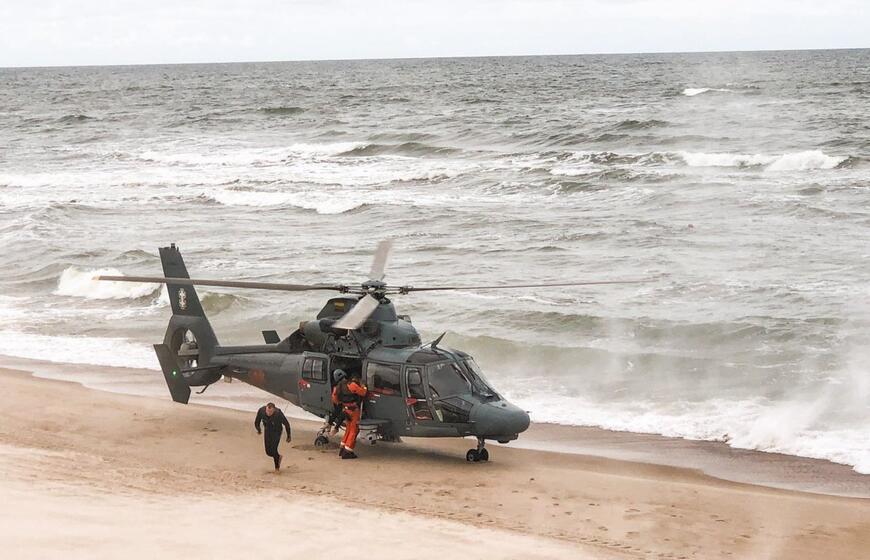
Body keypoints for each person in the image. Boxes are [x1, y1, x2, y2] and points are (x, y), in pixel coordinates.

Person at [332, 371, 368, 459]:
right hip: (354, 411)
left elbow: (335, 400)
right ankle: (348, 450)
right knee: (354, 430)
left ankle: (342, 447)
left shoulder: (336, 389)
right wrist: (364, 386)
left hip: (345, 410)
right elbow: (363, 392)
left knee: (348, 429)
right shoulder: (351, 385)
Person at [254, 402, 291, 471]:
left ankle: (277, 468)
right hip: (267, 430)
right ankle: (278, 457)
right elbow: (257, 422)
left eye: (270, 412)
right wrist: (258, 429)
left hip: (277, 431)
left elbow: (287, 424)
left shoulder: (278, 413)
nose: (268, 413)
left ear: (274, 410)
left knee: (274, 449)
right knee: (268, 452)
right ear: (266, 409)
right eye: (267, 411)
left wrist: (288, 436)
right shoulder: (261, 411)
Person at [326, 369, 347, 436]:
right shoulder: (345, 386)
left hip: (342, 403)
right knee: (341, 413)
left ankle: (330, 424)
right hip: (345, 404)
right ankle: (334, 426)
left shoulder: (337, 387)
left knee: (338, 411)